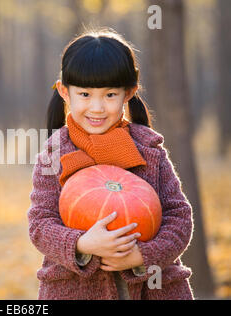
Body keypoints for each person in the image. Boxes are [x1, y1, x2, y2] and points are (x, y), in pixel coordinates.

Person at [27, 28, 194, 300]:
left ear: (128, 93)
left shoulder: (150, 150)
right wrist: (81, 244)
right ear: (64, 92)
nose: (97, 108)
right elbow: (40, 224)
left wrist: (141, 256)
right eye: (84, 94)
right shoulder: (53, 154)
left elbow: (179, 218)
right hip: (74, 290)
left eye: (109, 95)